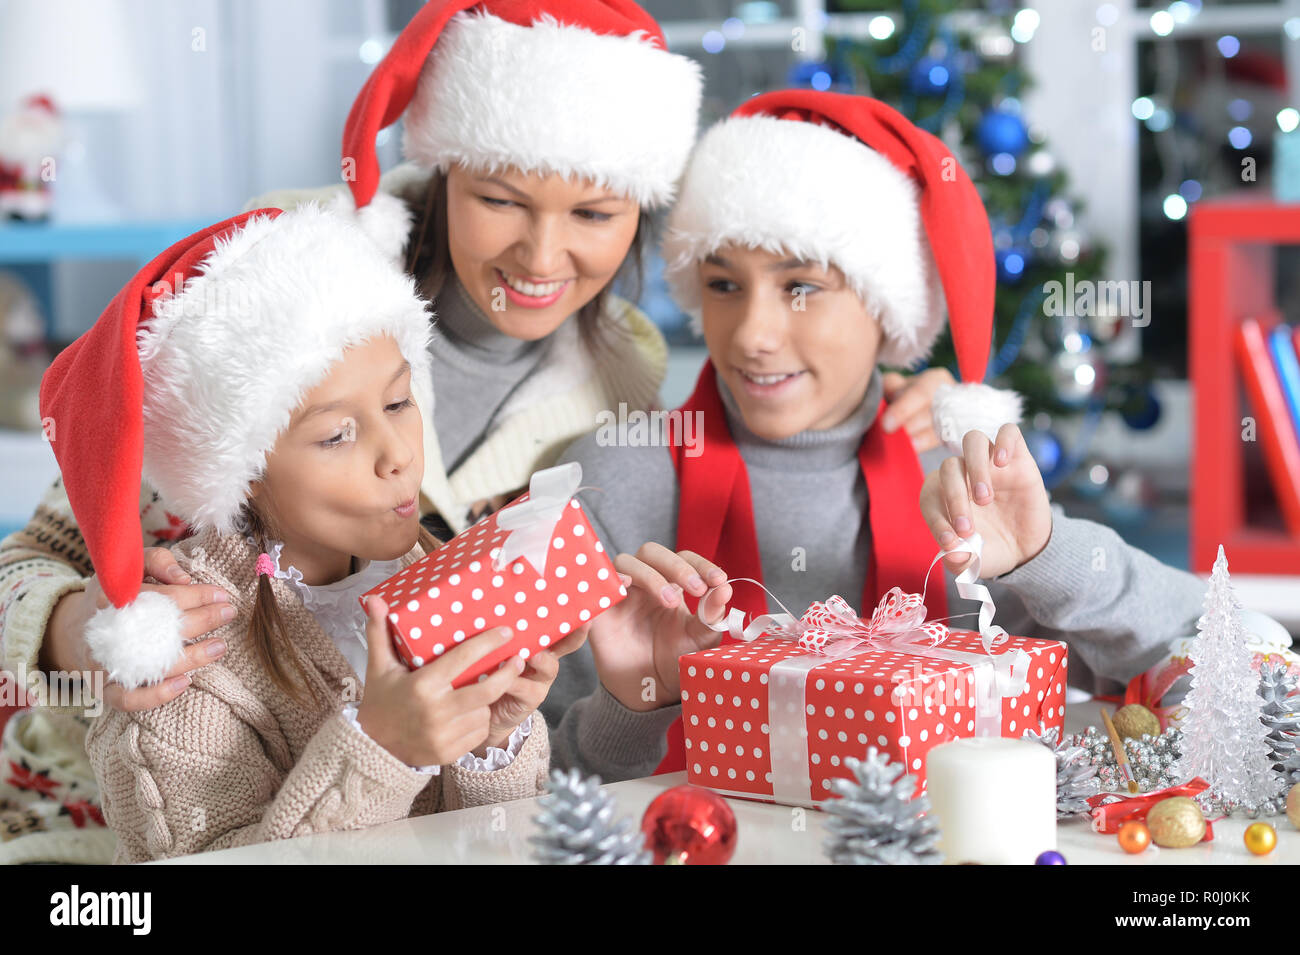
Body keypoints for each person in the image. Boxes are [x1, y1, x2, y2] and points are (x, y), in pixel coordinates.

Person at [548, 90, 1211, 781]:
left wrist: (1044, 555)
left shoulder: (958, 487)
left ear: (886, 309)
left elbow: (1223, 657)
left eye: (801, 287)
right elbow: (514, 799)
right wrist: (630, 710)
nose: (751, 335)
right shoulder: (615, 479)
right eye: (722, 284)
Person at [42, 202, 570, 862]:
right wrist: (383, 750)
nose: (397, 455)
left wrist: (493, 743)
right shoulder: (182, 659)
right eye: (335, 435)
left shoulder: (434, 571)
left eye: (399, 401)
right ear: (245, 470)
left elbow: (497, 849)